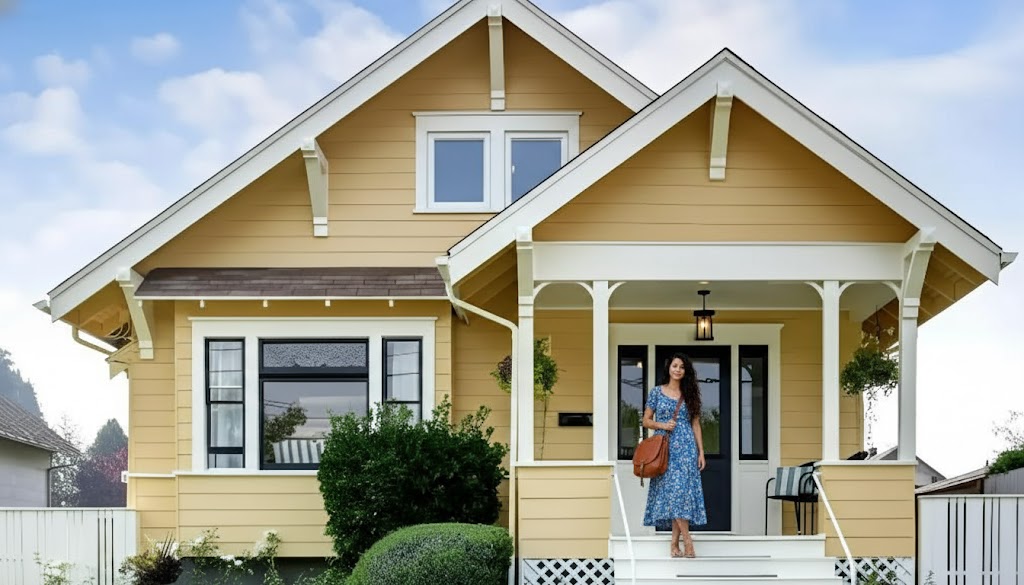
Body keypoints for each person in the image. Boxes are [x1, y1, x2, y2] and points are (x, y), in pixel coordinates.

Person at [641, 352, 707, 558]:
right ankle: (687, 541)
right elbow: (646, 421)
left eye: (682, 367)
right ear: (669, 368)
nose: (678, 369)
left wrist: (701, 451)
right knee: (673, 495)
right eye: (675, 366)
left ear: (685, 371)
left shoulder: (689, 395)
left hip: (686, 449)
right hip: (665, 449)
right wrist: (662, 424)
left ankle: (674, 545)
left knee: (682, 496)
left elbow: (695, 424)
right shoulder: (656, 392)